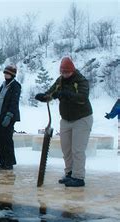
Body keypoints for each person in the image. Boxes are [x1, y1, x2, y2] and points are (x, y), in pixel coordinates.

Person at [35, 57, 93, 187]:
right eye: (63, 72)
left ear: (72, 70)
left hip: (82, 118)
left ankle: (78, 177)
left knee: (77, 150)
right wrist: (43, 97)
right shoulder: (60, 80)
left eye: (67, 72)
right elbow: (51, 93)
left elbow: (82, 98)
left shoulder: (81, 80)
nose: (65, 74)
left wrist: (67, 95)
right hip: (66, 119)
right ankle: (69, 173)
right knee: (66, 149)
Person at [0, 64, 21, 170]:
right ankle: (2, 162)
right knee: (0, 140)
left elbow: (14, 102)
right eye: (5, 73)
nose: (5, 75)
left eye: (7, 73)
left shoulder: (15, 86)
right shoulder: (3, 85)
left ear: (12, 74)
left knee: (7, 140)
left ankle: (9, 162)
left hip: (9, 117)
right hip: (0, 116)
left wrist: (9, 115)